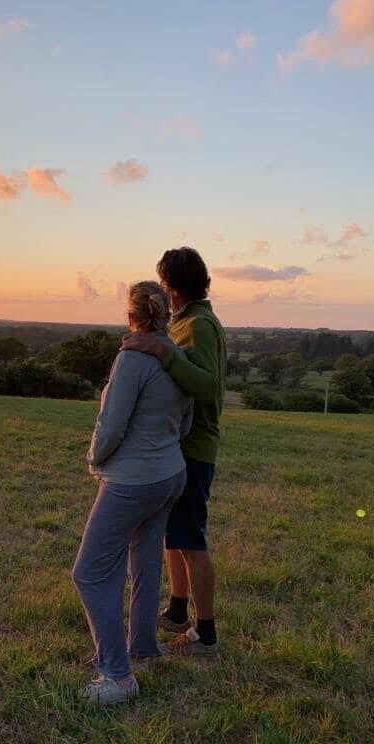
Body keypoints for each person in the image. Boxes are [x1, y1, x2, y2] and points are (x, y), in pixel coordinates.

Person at [73, 281, 193, 705]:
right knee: (143, 562)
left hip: (132, 481)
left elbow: (111, 424)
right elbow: (186, 422)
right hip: (170, 474)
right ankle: (142, 648)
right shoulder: (177, 356)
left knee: (89, 573)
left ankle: (117, 676)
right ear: (165, 315)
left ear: (131, 316)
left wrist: (93, 460)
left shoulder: (131, 359)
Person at [122, 246, 226, 656]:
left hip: (195, 448)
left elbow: (207, 386)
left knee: (191, 540)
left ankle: (206, 632)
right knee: (173, 536)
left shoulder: (200, 325)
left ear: (172, 287)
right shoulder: (187, 321)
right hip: (176, 447)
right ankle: (178, 610)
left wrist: (165, 353)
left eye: (164, 284)